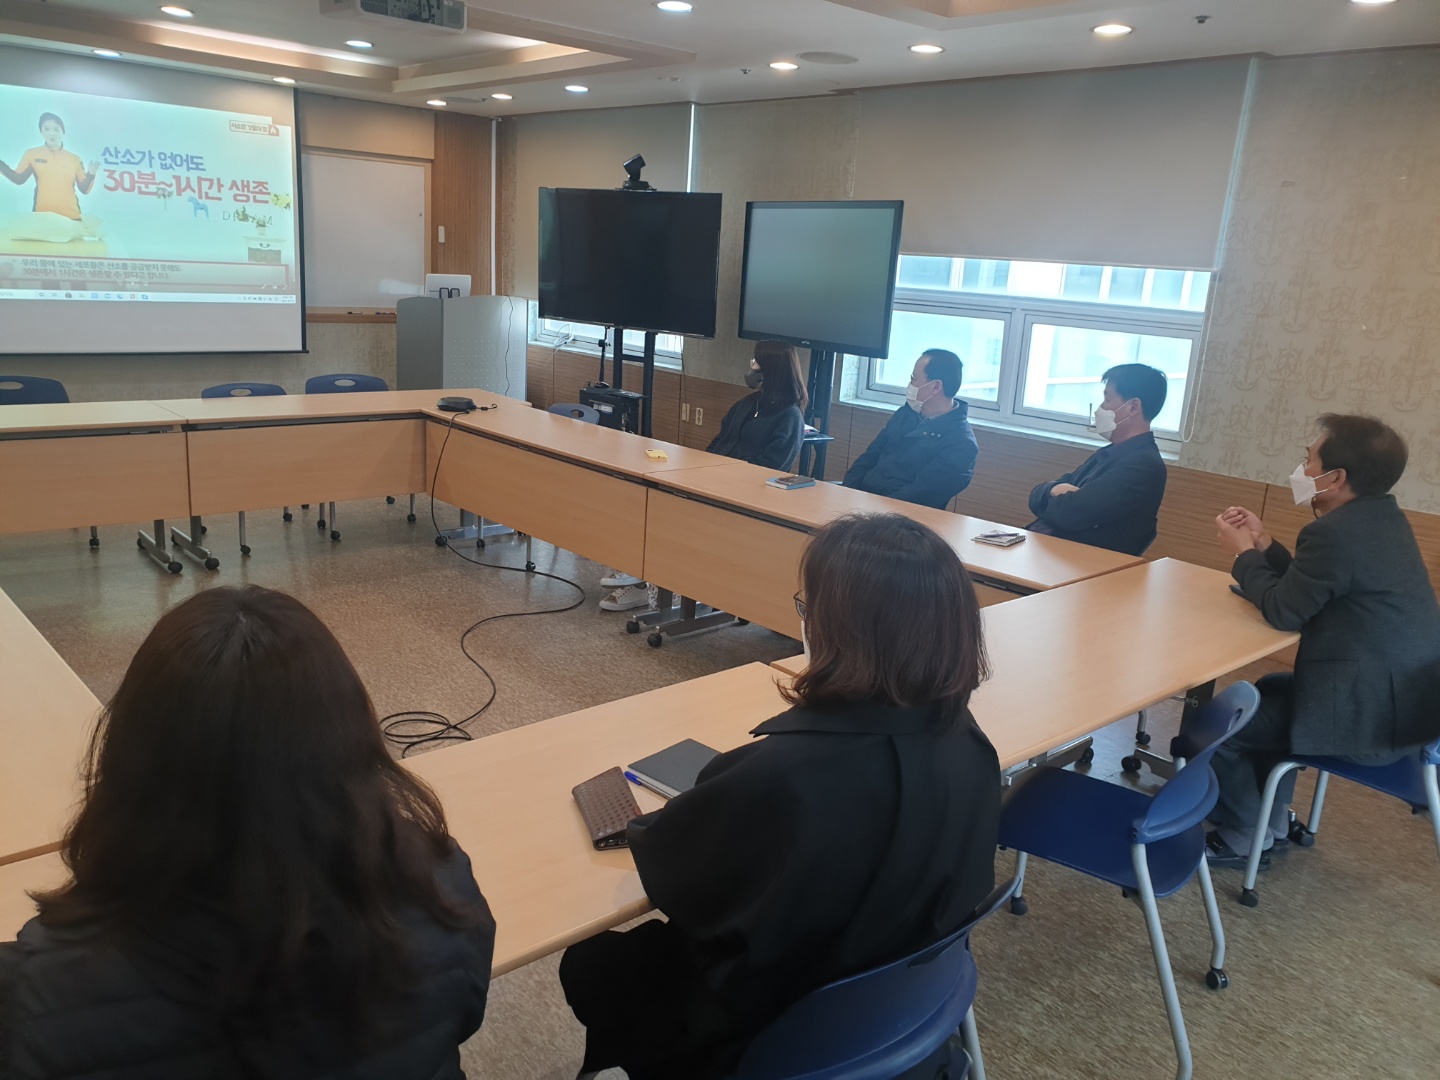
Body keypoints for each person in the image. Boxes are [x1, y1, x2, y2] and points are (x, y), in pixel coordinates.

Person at [561, 512, 1001, 1079]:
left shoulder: (780, 777)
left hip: (761, 1029)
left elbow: (673, 873)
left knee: (590, 962)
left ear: (838, 631)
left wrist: (683, 809)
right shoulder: (972, 745)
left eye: (808, 609)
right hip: (889, 1006)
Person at [0, 586, 495, 1078]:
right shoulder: (445, 892)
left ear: (127, 762)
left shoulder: (39, 992)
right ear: (349, 744)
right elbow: (461, 1019)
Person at [1206, 414, 1440, 868]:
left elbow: (1284, 610)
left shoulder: (1333, 533)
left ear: (1335, 478)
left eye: (1309, 459)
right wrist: (1264, 543)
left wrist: (1243, 553)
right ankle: (1271, 820)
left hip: (1370, 722)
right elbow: (1314, 585)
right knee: (1268, 689)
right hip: (1404, 707)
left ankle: (1243, 833)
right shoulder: (1383, 518)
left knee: (1220, 726)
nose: (1303, 468)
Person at [599, 340, 807, 612]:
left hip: (744, 496)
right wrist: (699, 470)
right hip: (712, 483)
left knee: (677, 516)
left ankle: (659, 579)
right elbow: (720, 439)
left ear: (771, 369)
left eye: (756, 361)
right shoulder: (748, 403)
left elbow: (771, 467)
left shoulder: (790, 417)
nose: (752, 366)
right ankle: (641, 574)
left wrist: (722, 474)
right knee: (651, 499)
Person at [1025, 363, 1169, 555]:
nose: (1101, 408)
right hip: (1054, 554)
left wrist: (1054, 493)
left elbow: (1070, 514)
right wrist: (1053, 489)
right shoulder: (1111, 452)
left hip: (1083, 564)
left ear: (1133, 407)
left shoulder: (1143, 466)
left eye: (1107, 399)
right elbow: (1036, 496)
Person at [842, 348, 978, 509]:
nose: (909, 385)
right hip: (862, 504)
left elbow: (919, 496)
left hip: (899, 517)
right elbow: (868, 458)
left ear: (935, 387)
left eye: (914, 379)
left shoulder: (962, 444)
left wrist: (870, 510)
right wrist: (847, 494)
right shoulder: (906, 414)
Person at [1, 112, 105, 237]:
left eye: (56, 129)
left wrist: (91, 173)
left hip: (71, 218)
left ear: (63, 132)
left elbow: (84, 189)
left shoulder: (74, 159)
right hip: (43, 217)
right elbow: (18, 179)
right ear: (41, 132)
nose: (52, 133)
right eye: (47, 129)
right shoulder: (32, 154)